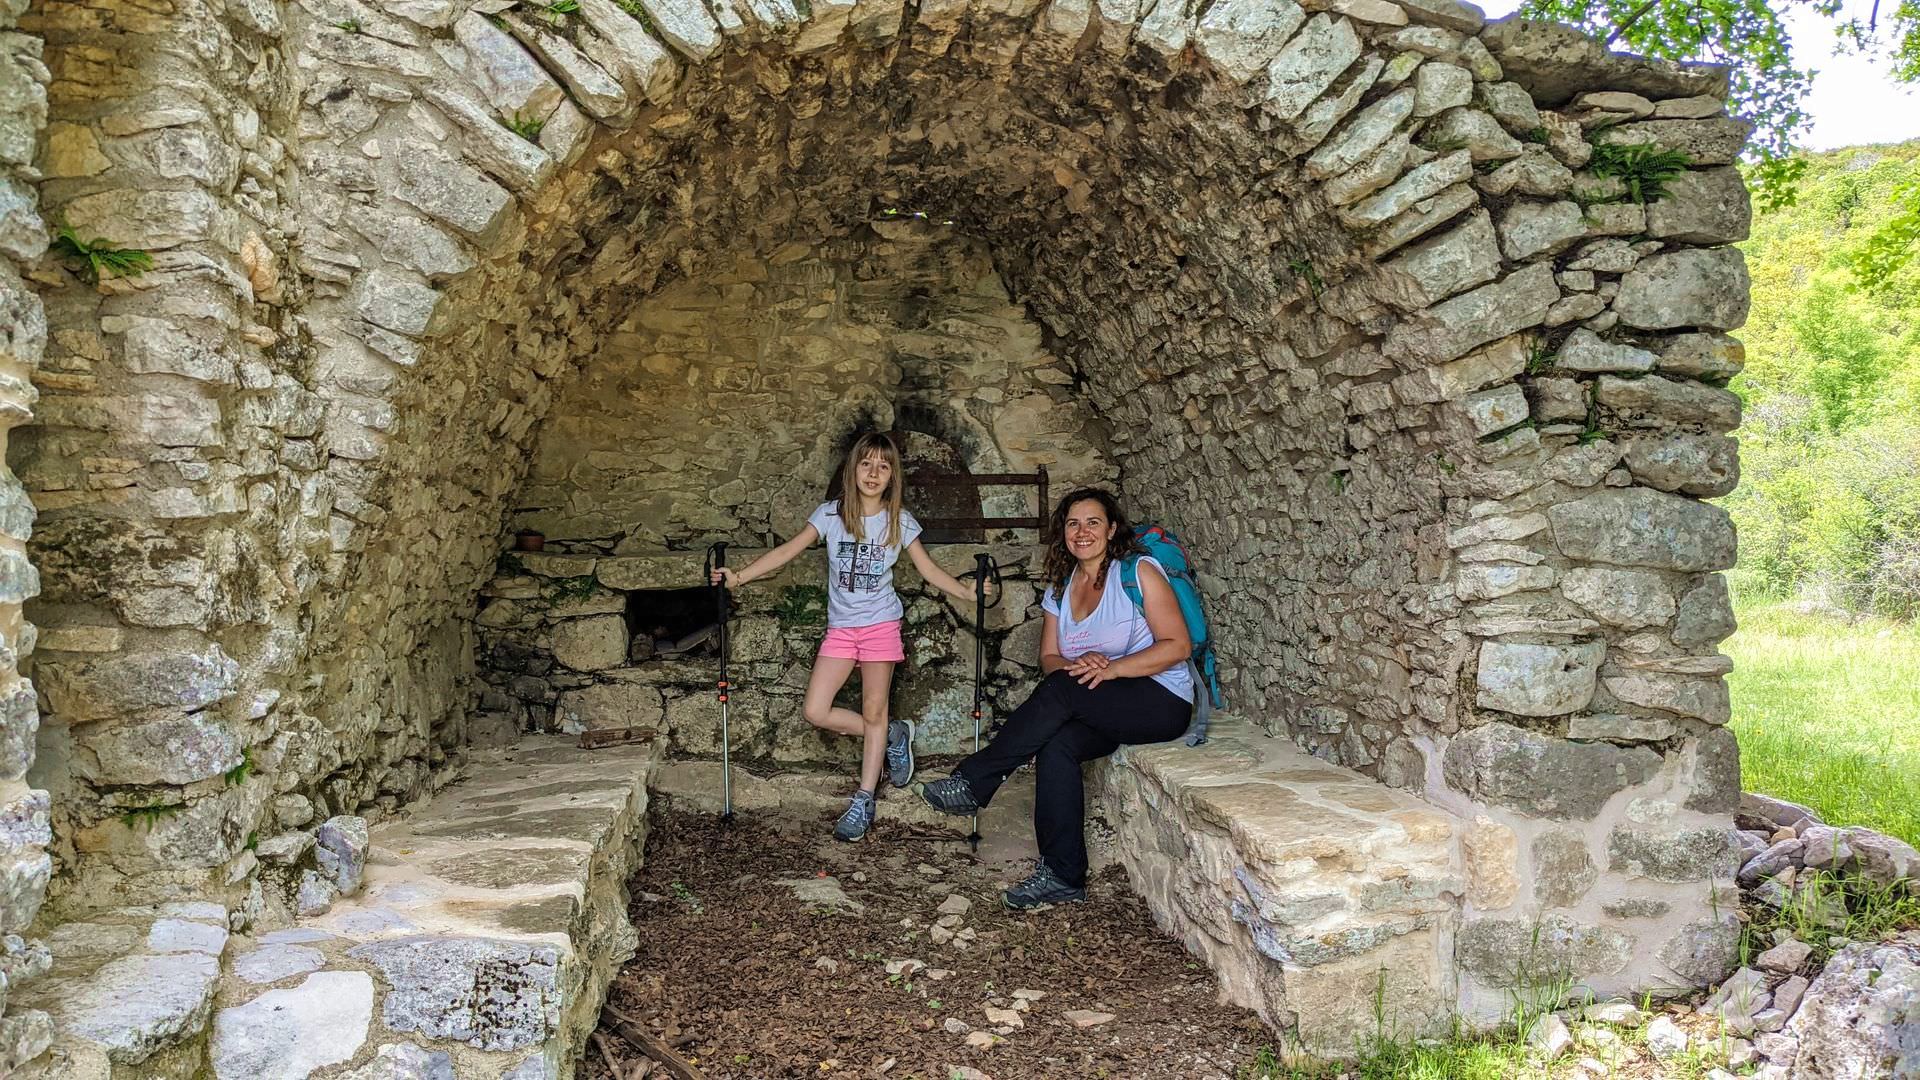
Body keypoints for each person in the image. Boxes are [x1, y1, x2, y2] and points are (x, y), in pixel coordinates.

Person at [918, 488, 1194, 908]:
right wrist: (1083, 666)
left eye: (1093, 522)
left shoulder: (1137, 573)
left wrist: (1110, 667)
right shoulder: (1061, 587)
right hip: (1102, 700)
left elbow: (1177, 645)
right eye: (1072, 523)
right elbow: (1050, 658)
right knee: (1057, 746)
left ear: (1112, 528)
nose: (1082, 532)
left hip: (1161, 700)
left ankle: (975, 781)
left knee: (1065, 688)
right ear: (1063, 533)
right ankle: (1063, 876)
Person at [711, 432, 990, 841]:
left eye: (883, 465)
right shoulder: (830, 515)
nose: (874, 472)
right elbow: (787, 551)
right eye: (866, 464)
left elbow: (928, 571)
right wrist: (741, 577)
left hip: (880, 626)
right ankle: (895, 734)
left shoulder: (900, 521)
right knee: (816, 710)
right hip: (842, 630)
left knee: (874, 710)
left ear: (893, 475)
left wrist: (967, 592)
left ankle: (864, 798)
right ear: (852, 470)